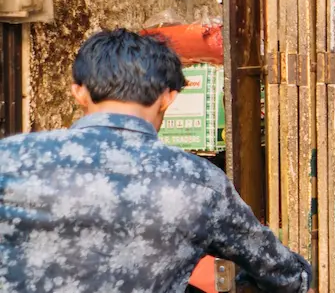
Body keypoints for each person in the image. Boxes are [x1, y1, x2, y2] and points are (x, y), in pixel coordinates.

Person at [0, 29, 312, 293]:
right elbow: (283, 275)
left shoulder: (10, 159)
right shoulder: (199, 183)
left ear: (78, 92)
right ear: (169, 97)